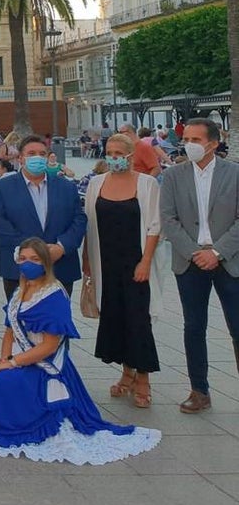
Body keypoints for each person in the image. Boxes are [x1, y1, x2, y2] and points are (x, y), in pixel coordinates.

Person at [0, 238, 160, 464]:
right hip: (21, 360)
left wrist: (13, 363)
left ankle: (15, 424)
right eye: (23, 259)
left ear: (45, 263)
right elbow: (9, 331)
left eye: (34, 259)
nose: (28, 263)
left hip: (46, 369)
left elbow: (49, 346)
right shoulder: (21, 291)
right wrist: (3, 359)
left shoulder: (53, 296)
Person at [159, 118, 239, 415]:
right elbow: (168, 219)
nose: (189, 144)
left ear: (213, 143)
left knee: (237, 326)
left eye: (195, 139)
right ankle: (199, 390)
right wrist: (195, 252)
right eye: (186, 139)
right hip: (189, 261)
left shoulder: (234, 173)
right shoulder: (174, 176)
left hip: (229, 260)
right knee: (194, 326)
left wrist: (217, 252)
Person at [82, 133, 162, 409]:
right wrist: (87, 260)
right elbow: (89, 224)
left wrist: (146, 261)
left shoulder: (147, 184)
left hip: (136, 263)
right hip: (105, 262)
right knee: (114, 318)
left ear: (131, 155)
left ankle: (143, 379)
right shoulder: (96, 184)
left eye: (119, 152)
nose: (113, 157)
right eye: (109, 151)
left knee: (139, 320)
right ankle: (126, 373)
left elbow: (154, 226)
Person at [0, 134, 86, 300]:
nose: (37, 158)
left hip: (59, 266)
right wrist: (32, 253)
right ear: (20, 158)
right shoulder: (3, 188)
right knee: (20, 322)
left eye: (42, 154)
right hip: (19, 268)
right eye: (31, 153)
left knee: (56, 323)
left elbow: (79, 219)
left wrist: (61, 247)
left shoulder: (66, 187)